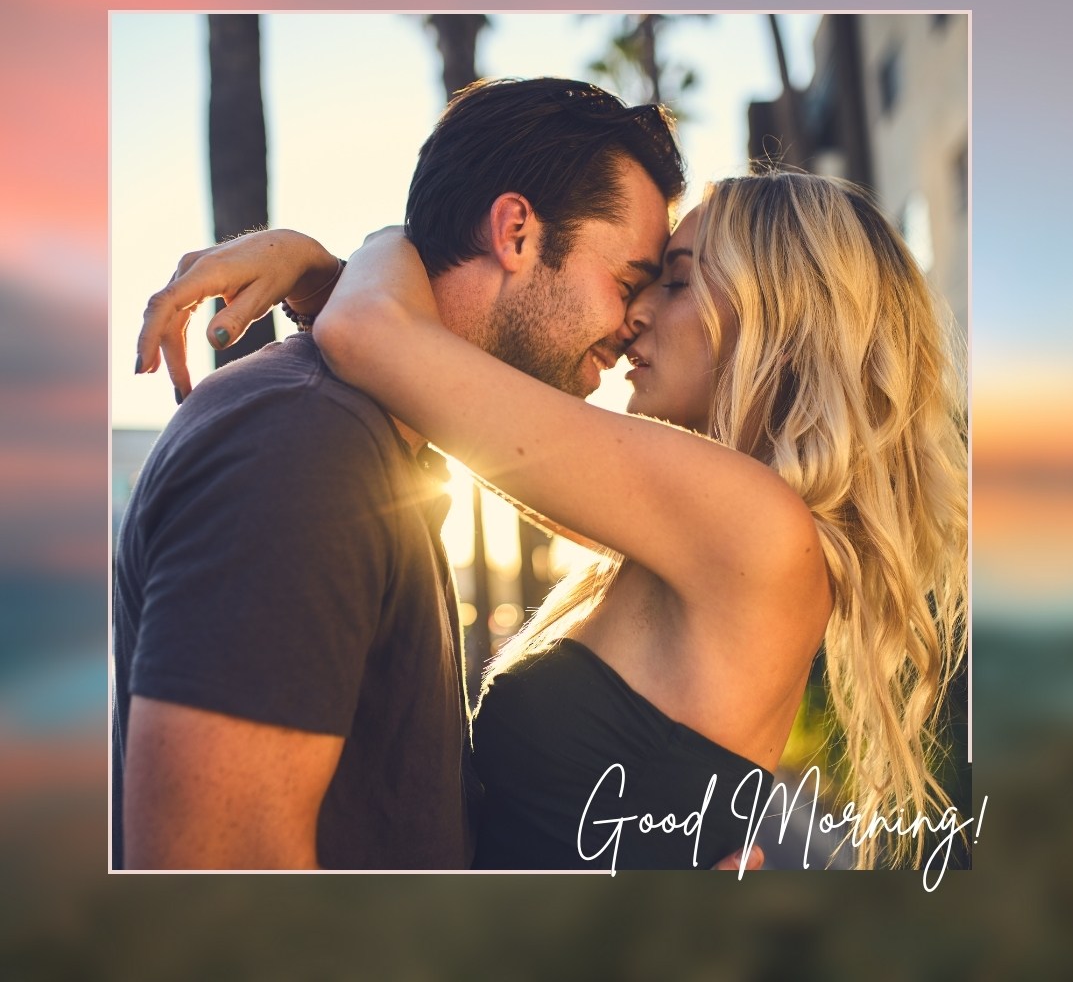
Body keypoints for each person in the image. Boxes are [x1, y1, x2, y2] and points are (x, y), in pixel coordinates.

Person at [138, 170, 968, 872]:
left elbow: (370, 333)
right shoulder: (706, 531)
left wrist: (368, 249)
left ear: (784, 311)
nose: (636, 312)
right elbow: (434, 391)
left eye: (676, 279)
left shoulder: (749, 524)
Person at [119, 76, 767, 871]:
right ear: (517, 232)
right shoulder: (303, 447)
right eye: (631, 281)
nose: (633, 319)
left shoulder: (375, 443)